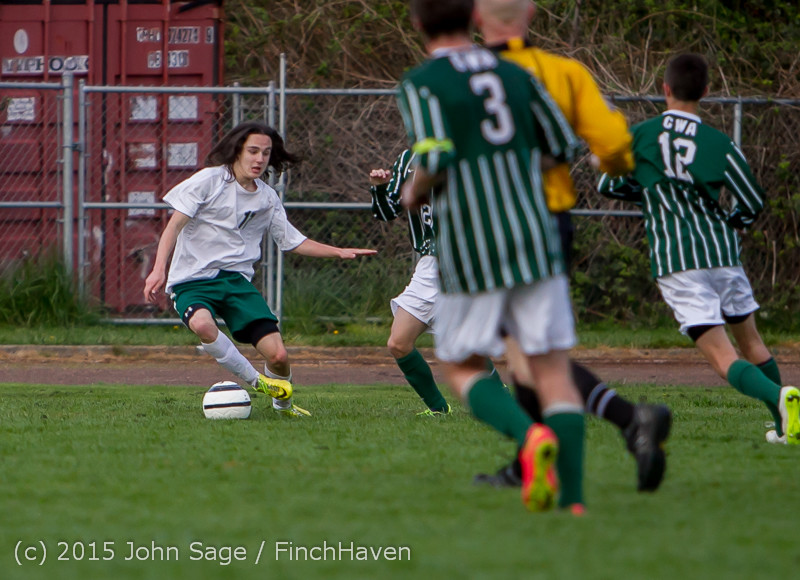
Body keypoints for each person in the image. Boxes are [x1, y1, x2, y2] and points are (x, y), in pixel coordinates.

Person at [472, 0, 672, 492]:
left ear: (476, 16)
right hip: (549, 218)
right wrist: (614, 164)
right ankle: (536, 459)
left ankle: (625, 420)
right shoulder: (564, 72)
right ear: (530, 12)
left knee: (527, 356)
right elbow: (614, 146)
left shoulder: (466, 78)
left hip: (495, 221)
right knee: (526, 354)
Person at [399, 0, 586, 513]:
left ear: (418, 23)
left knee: (461, 365)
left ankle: (530, 438)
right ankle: (573, 501)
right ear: (474, 18)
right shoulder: (516, 72)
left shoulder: (423, 82)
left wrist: (415, 190)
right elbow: (562, 146)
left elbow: (435, 156)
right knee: (552, 370)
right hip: (535, 236)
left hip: (471, 243)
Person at [598, 53, 800, 445]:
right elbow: (751, 199)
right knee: (752, 343)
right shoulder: (719, 142)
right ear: (705, 91)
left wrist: (651, 190)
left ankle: (781, 398)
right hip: (723, 256)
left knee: (724, 359)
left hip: (678, 262)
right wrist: (732, 222)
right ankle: (785, 426)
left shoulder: (642, 135)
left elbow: (609, 184)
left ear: (665, 89)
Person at [144, 121, 377, 417]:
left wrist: (338, 251)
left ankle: (284, 407)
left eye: (265, 153)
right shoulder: (209, 180)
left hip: (236, 283)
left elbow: (292, 241)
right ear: (237, 151)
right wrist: (158, 269)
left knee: (278, 355)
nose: (259, 159)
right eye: (252, 151)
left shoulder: (266, 198)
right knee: (203, 325)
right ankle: (257, 381)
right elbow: (174, 225)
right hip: (192, 281)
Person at [369, 150, 450, 415]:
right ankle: (439, 409)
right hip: (430, 264)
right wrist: (380, 187)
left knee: (467, 342)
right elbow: (386, 212)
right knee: (399, 342)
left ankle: (498, 397)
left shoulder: (468, 150)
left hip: (465, 259)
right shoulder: (408, 159)